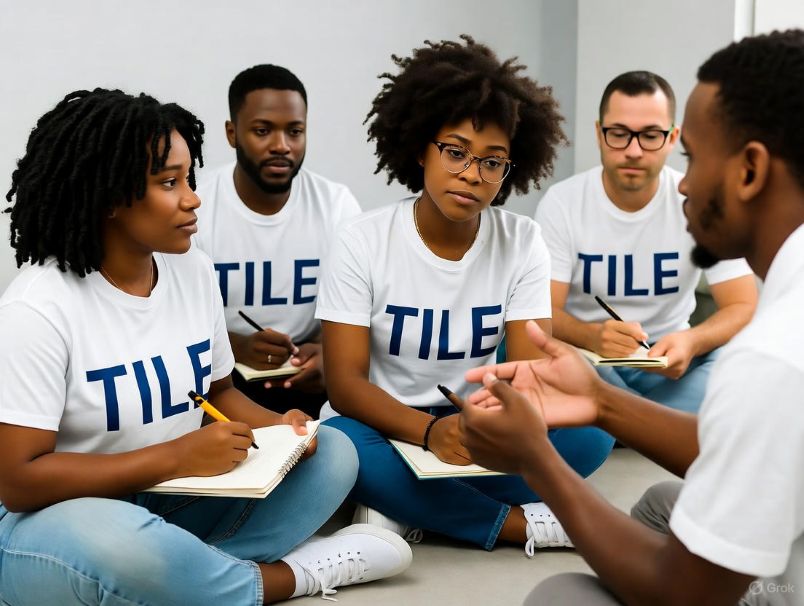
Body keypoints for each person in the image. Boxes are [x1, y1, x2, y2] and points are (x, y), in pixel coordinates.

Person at [0, 88, 410, 605]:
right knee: (121, 546)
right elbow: (18, 482)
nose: (193, 198)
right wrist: (173, 458)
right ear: (108, 198)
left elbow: (220, 394)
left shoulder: (191, 269)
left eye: (190, 178)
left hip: (174, 500)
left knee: (333, 451)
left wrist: (277, 427)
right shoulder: (38, 309)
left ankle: (181, 577)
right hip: (60, 521)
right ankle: (290, 577)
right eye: (169, 183)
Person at [461, 29, 804, 605]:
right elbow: (762, 446)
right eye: (621, 135)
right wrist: (600, 400)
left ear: (749, 170)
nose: (685, 183)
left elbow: (680, 595)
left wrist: (537, 459)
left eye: (690, 155)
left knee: (561, 596)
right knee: (657, 507)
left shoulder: (771, 356)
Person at [315, 36, 615, 554]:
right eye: (455, 152)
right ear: (419, 147)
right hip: (386, 426)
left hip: (478, 425)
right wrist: (430, 435)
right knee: (336, 448)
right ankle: (520, 525)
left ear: (510, 170)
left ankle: (407, 508)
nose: (471, 174)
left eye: (492, 162)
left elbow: (526, 377)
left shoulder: (522, 241)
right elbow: (344, 385)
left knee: (594, 433)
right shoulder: (360, 240)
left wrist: (482, 427)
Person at [535, 70, 757, 413]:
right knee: (551, 360)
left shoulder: (699, 201)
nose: (634, 150)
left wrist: (692, 340)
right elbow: (540, 312)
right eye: (619, 134)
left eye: (651, 135)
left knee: (740, 365)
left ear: (673, 138)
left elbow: (743, 304)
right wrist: (592, 336)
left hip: (671, 364)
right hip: (593, 360)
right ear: (599, 134)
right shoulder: (563, 202)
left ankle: (620, 418)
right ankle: (652, 419)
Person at [194, 64, 361, 419]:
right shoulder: (196, 204)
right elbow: (168, 315)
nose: (281, 146)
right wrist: (236, 346)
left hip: (309, 379)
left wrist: (329, 354)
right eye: (262, 130)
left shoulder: (336, 205)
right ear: (232, 133)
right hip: (221, 379)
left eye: (295, 131)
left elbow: (364, 310)